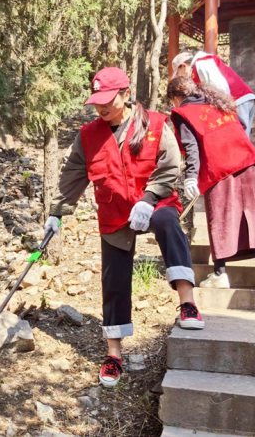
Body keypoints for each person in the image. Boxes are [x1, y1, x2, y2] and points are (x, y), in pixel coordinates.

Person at [44, 67, 203, 389]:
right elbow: (73, 176)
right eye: (97, 102)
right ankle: (114, 353)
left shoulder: (156, 124)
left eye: (108, 100)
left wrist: (148, 199)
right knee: (114, 279)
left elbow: (170, 165)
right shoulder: (88, 136)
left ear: (126, 95)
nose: (101, 108)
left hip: (155, 201)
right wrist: (57, 212)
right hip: (114, 211)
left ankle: (188, 303)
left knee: (168, 223)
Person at [167, 77, 255, 289]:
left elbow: (191, 147)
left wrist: (191, 177)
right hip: (251, 165)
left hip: (220, 171)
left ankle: (220, 274)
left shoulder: (183, 113)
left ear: (176, 98)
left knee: (220, 220)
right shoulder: (220, 104)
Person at [171, 51, 255, 137]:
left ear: (183, 66)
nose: (180, 77)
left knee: (238, 138)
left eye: (178, 73)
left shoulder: (202, 63)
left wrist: (223, 111)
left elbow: (219, 88)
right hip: (240, 100)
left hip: (237, 101)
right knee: (242, 138)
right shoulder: (199, 66)